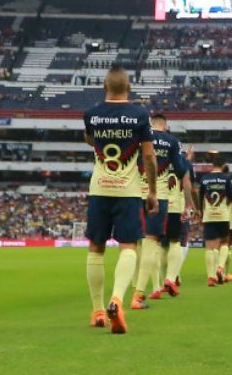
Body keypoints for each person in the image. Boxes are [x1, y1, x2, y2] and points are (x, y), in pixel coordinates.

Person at [83, 67, 158, 334]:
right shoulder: (139, 115)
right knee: (128, 246)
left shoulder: (91, 115)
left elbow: (90, 141)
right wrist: (152, 191)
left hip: (100, 188)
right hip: (127, 191)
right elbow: (149, 157)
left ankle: (98, 310)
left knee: (96, 248)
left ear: (105, 86)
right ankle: (117, 299)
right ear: (129, 87)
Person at [131, 114, 187, 309]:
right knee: (152, 242)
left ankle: (135, 286)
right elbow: (181, 169)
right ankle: (138, 294)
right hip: (159, 197)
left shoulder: (139, 136)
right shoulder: (172, 141)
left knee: (134, 244)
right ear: (166, 126)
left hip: (135, 194)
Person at [198, 156, 232, 286]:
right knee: (224, 243)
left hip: (209, 215)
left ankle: (211, 277)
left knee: (210, 248)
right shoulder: (226, 179)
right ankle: (221, 267)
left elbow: (200, 199)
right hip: (223, 216)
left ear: (212, 165)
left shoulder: (204, 179)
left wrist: (200, 214)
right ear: (223, 166)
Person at [160, 140, 195, 292]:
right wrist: (190, 205)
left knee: (161, 245)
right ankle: (172, 276)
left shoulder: (161, 160)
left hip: (161, 206)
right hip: (178, 208)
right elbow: (188, 185)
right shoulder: (184, 164)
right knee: (179, 243)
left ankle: (163, 281)